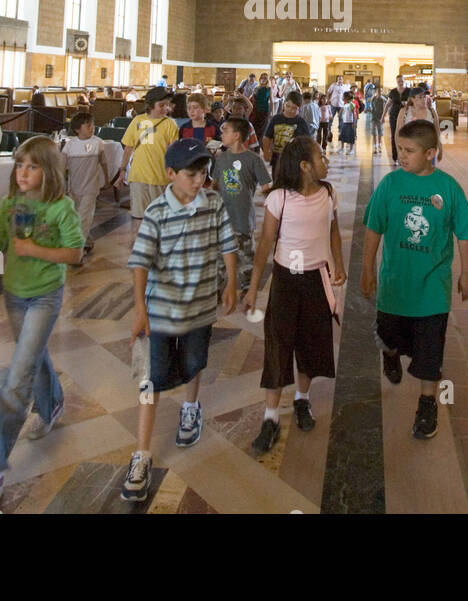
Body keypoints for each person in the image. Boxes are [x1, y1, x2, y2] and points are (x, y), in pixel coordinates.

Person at [0, 137, 83, 509]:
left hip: (45, 296)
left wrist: (33, 250)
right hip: (14, 294)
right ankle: (54, 403)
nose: (23, 173)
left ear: (48, 171)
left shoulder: (61, 208)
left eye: (32, 166)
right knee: (33, 356)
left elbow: (74, 252)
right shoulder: (10, 204)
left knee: (15, 382)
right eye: (19, 165)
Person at [122, 139, 238, 502]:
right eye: (191, 174)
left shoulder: (214, 203)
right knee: (149, 379)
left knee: (192, 363)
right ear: (170, 174)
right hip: (160, 310)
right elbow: (140, 261)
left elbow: (227, 243)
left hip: (200, 306)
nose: (199, 180)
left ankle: (191, 407)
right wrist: (140, 308)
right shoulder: (157, 212)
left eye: (204, 173)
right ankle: (141, 453)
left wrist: (232, 282)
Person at [361, 119, 468, 440]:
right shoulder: (390, 185)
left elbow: (464, 233)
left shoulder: (449, 188)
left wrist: (467, 272)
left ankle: (427, 404)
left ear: (430, 153)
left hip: (432, 289)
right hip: (394, 285)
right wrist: (367, 268)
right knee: (390, 334)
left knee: (429, 351)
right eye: (399, 149)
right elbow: (373, 227)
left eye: (409, 151)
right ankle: (390, 352)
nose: (402, 156)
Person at [243, 137, 344, 454]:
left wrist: (338, 264)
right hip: (286, 279)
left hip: (316, 277)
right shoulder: (280, 198)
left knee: (311, 341)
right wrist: (254, 287)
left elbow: (333, 230)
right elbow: (266, 243)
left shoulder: (328, 193)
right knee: (278, 344)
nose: (325, 160)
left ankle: (302, 399)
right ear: (304, 166)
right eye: (320, 156)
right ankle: (270, 417)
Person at [210, 117, 271, 293]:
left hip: (243, 217)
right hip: (222, 218)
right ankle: (217, 290)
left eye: (225, 131)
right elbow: (214, 184)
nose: (221, 134)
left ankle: (247, 288)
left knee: (246, 257)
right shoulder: (221, 159)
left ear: (236, 135)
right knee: (219, 257)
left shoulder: (253, 159)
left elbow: (266, 187)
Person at [117, 87, 180, 221]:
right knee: (139, 217)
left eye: (167, 105)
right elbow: (128, 147)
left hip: (160, 177)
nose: (165, 108)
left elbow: (172, 151)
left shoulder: (170, 124)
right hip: (138, 176)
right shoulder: (137, 121)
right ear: (151, 105)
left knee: (159, 219)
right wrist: (122, 170)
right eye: (161, 105)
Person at [61, 110, 109, 255]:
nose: (91, 128)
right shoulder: (70, 145)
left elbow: (104, 163)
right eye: (87, 126)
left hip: (90, 188)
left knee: (84, 218)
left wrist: (106, 180)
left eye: (92, 125)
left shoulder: (98, 143)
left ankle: (77, 251)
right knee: (76, 218)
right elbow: (62, 167)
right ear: (77, 129)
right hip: (73, 188)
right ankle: (86, 241)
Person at [263, 90, 311, 171]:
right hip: (277, 160)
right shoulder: (276, 119)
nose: (290, 110)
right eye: (288, 106)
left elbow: (308, 142)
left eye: (294, 108)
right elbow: (267, 137)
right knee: (277, 181)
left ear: (299, 108)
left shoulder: (301, 122)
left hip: (294, 161)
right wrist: (266, 153)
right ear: (284, 104)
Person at [400, 86, 442, 164]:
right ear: (412, 99)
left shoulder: (432, 112)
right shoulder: (405, 112)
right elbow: (397, 133)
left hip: (429, 151)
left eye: (424, 97)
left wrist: (440, 148)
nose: (424, 99)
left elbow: (437, 131)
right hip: (410, 151)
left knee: (428, 174)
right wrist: (400, 151)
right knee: (412, 174)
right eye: (420, 97)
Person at [385, 75, 409, 165]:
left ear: (404, 80)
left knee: (405, 137)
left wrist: (407, 103)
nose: (400, 83)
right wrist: (383, 116)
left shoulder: (409, 91)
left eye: (402, 81)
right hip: (394, 116)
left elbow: (413, 103)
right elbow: (388, 104)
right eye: (399, 81)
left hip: (406, 116)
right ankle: (396, 157)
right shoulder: (393, 92)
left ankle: (405, 156)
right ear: (396, 82)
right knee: (394, 136)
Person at [252, 73, 272, 137]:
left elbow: (271, 101)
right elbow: (253, 100)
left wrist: (272, 112)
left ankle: (260, 144)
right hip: (256, 110)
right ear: (260, 79)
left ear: (267, 80)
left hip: (265, 110)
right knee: (255, 128)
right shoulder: (256, 88)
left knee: (262, 129)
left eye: (265, 78)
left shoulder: (269, 89)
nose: (263, 79)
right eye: (262, 78)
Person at [367, 88, 386, 155]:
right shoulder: (373, 98)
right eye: (378, 91)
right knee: (374, 132)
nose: (379, 92)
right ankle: (375, 146)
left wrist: (383, 117)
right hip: (374, 118)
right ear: (376, 92)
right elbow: (371, 106)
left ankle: (379, 145)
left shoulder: (383, 99)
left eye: (380, 91)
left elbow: (385, 109)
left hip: (380, 117)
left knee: (380, 132)